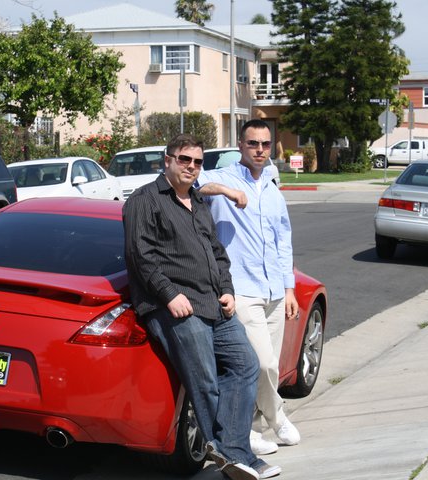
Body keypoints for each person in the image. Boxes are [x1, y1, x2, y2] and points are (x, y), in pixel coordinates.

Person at [123, 134, 281, 480]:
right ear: (167, 161)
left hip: (213, 303)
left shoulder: (198, 202)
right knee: (205, 378)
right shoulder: (144, 201)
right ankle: (230, 452)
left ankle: (234, 451)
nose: (191, 167)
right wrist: (168, 294)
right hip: (175, 307)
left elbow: (217, 253)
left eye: (197, 162)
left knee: (246, 365)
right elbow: (140, 256)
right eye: (184, 159)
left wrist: (227, 289)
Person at [197, 119, 300, 457]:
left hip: (273, 290)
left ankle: (253, 430)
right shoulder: (223, 177)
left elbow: (282, 241)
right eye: (253, 143)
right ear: (240, 145)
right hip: (241, 289)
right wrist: (227, 192)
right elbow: (194, 184)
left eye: (265, 144)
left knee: (264, 366)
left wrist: (289, 289)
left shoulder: (272, 190)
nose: (259, 150)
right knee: (263, 365)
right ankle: (278, 415)